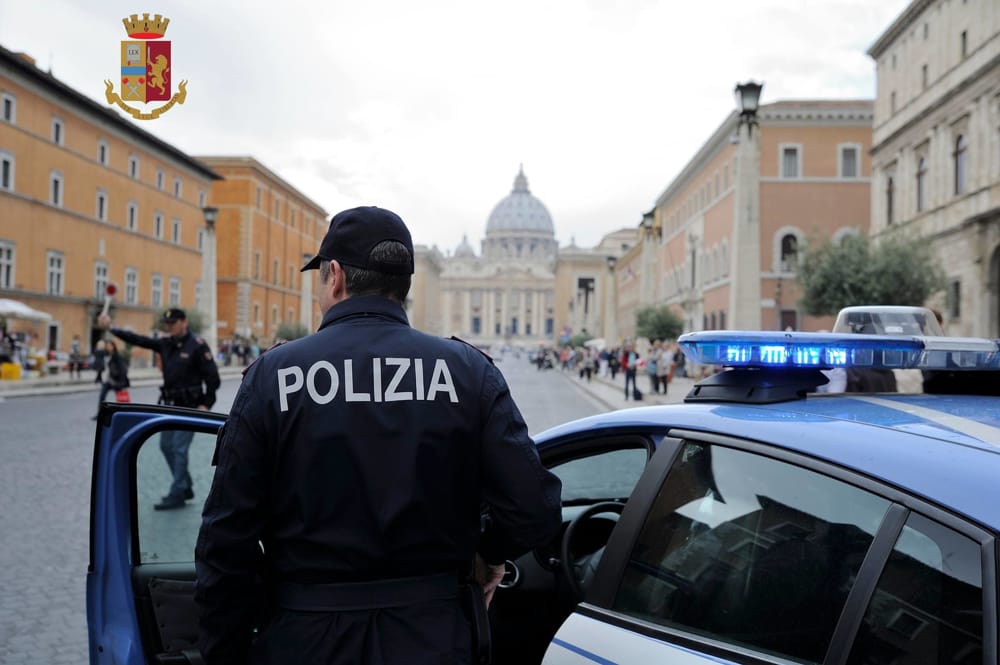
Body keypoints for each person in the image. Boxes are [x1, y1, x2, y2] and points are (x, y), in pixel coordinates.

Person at [194, 206, 562, 665]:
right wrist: (489, 553)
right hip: (434, 637)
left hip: (304, 638)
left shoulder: (274, 375)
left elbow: (225, 541)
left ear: (334, 276)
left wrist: (223, 653)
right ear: (404, 285)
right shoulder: (468, 371)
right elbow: (534, 508)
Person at [98, 307, 220, 510]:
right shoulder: (165, 344)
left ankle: (177, 493)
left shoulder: (197, 346)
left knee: (179, 450)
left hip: (189, 407)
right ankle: (185, 484)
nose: (169, 327)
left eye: (173, 323)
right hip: (169, 406)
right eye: (167, 324)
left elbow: (213, 378)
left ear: (184, 322)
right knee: (166, 447)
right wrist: (112, 328)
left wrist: (205, 404)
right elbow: (139, 340)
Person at [92, 340, 130, 419]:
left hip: (116, 380)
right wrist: (99, 346)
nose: (108, 347)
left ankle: (125, 414)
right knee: (102, 396)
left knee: (121, 399)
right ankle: (100, 414)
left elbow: (123, 369)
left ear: (113, 346)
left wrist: (122, 381)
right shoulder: (105, 355)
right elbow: (96, 354)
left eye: (110, 345)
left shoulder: (117, 356)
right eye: (107, 346)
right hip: (108, 380)